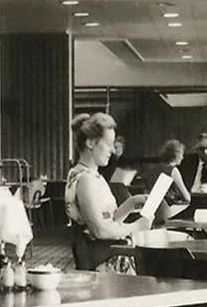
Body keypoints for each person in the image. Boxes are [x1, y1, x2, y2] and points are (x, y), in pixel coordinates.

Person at [66, 113, 154, 269]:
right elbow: (99, 230)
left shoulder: (90, 175)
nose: (113, 150)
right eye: (109, 144)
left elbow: (108, 221)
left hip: (104, 255)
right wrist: (136, 227)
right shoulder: (86, 180)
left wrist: (130, 204)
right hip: (101, 263)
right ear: (91, 143)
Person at [148, 139, 194, 222]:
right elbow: (187, 198)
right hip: (165, 211)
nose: (183, 158)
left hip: (150, 209)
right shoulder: (173, 170)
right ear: (176, 155)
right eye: (182, 155)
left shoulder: (154, 169)